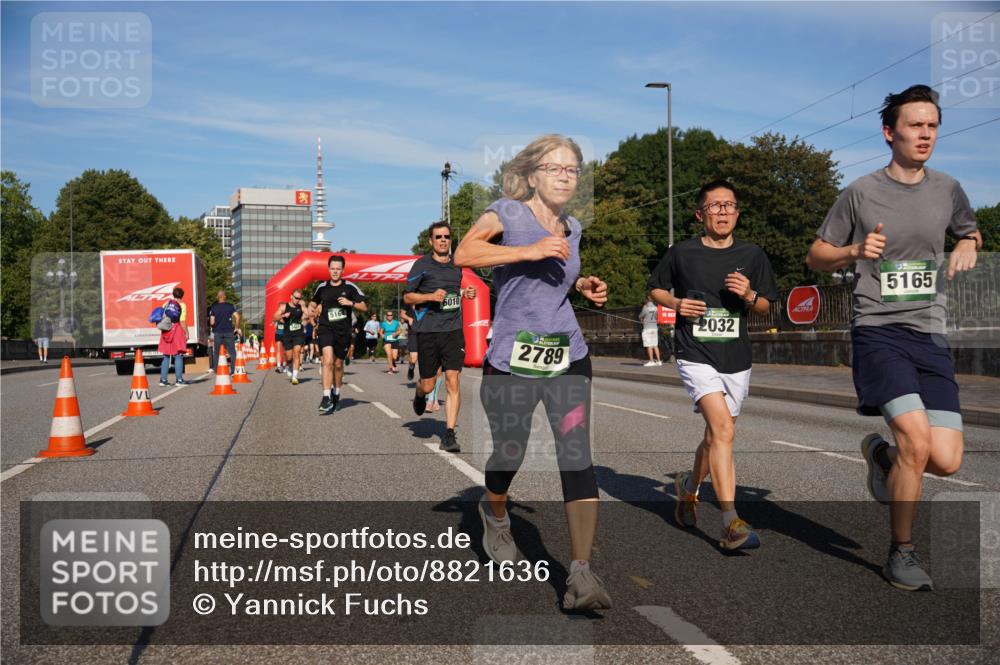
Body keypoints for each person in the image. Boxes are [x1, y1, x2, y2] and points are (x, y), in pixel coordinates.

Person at [805, 85, 980, 592]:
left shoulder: (948, 188)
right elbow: (817, 254)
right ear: (890, 132)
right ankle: (901, 551)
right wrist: (855, 250)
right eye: (915, 125)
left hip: (930, 333)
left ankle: (880, 456)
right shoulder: (861, 192)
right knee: (917, 442)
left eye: (932, 126)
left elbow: (971, 229)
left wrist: (968, 242)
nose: (925, 134)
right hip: (879, 330)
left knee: (945, 459)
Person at [454, 134, 611, 611]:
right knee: (510, 450)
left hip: (566, 352)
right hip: (513, 355)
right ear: (532, 176)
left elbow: (555, 280)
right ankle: (495, 510)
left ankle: (581, 574)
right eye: (554, 168)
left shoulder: (574, 227)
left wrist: (584, 283)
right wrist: (527, 251)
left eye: (572, 170)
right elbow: (465, 254)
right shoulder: (506, 212)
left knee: (575, 453)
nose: (565, 176)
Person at [649, 179, 778, 551]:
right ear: (700, 214)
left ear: (737, 213)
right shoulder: (682, 253)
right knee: (723, 431)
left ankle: (689, 490)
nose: (722, 212)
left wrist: (749, 294)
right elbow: (655, 288)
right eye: (715, 206)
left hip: (736, 358)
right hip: (695, 354)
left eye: (729, 206)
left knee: (714, 437)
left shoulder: (753, 254)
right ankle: (730, 522)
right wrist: (676, 305)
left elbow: (766, 305)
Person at [405, 220, 477, 451]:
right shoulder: (421, 265)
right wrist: (428, 297)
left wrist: (466, 293)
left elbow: (453, 294)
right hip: (428, 331)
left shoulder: (457, 265)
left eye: (447, 236)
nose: (443, 240)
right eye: (439, 237)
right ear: (431, 241)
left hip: (453, 331)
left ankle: (449, 434)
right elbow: (408, 297)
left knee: (453, 380)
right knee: (428, 385)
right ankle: (419, 393)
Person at [311, 255, 368, 414]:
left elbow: (364, 306)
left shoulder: (350, 287)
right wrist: (311, 308)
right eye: (332, 269)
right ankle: (326, 396)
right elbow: (313, 301)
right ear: (328, 269)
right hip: (325, 328)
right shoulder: (322, 287)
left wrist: (351, 303)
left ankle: (336, 392)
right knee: (327, 360)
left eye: (338, 269)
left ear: (342, 270)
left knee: (338, 364)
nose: (335, 272)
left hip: (343, 331)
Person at [157, 287, 189, 386]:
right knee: (178, 355)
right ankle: (179, 380)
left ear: (173, 295)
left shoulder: (166, 304)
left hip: (166, 331)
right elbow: (182, 321)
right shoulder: (182, 305)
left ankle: (163, 380)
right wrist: (186, 332)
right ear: (182, 296)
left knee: (166, 355)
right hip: (177, 330)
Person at [209, 290, 240, 370]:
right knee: (232, 351)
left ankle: (216, 370)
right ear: (225, 296)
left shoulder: (214, 307)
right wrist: (236, 327)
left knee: (216, 352)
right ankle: (233, 370)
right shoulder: (230, 306)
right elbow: (237, 317)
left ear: (217, 297)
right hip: (229, 331)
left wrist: (215, 324)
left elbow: (212, 322)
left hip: (218, 332)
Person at [282, 290, 308, 384]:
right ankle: (289, 365)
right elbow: (275, 317)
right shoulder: (284, 306)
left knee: (297, 352)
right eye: (296, 298)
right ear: (291, 296)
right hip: (287, 334)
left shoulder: (301, 307)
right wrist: (283, 315)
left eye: (299, 298)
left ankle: (295, 377)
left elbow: (308, 313)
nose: (297, 300)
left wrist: (312, 313)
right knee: (289, 356)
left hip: (298, 333)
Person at [639, 296, 662, 367]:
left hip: (647, 328)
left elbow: (640, 316)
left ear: (646, 300)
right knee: (655, 345)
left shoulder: (645, 307)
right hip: (654, 328)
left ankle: (651, 361)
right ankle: (658, 361)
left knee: (649, 345)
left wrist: (642, 321)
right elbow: (658, 318)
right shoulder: (656, 308)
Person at [400, 305, 419, 381]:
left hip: (425, 334)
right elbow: (402, 313)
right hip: (413, 333)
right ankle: (411, 367)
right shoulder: (408, 304)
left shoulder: (425, 302)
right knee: (414, 358)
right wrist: (409, 318)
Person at [272, 302, 288, 373]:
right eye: (280, 307)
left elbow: (283, 321)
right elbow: (275, 320)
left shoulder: (287, 315)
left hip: (285, 334)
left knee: (285, 351)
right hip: (278, 333)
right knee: (278, 349)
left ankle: (284, 365)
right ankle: (278, 366)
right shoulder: (277, 315)